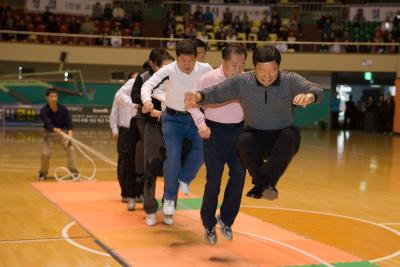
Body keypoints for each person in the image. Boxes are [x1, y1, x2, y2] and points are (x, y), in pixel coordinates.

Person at [185, 45, 323, 200]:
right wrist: (198, 96)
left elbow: (316, 89)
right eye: (262, 71)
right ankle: (266, 184)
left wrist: (310, 96)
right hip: (256, 136)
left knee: (290, 135)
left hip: (282, 137)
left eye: (272, 70)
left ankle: (259, 184)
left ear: (279, 67)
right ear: (254, 68)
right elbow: (216, 92)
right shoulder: (243, 82)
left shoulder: (290, 80)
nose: (267, 76)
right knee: (243, 139)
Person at [141, 40, 213, 225]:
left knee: (202, 152)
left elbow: (216, 87)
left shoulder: (205, 69)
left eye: (191, 61)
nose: (187, 65)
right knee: (172, 156)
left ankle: (184, 179)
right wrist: (147, 101)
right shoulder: (168, 70)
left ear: (197, 57)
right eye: (183, 61)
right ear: (177, 58)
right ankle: (170, 199)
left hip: (195, 118)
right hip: (172, 120)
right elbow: (147, 86)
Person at [189, 44, 247, 245]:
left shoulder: (246, 81)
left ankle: (227, 220)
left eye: (242, 65)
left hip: (238, 132)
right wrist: (201, 124)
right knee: (213, 181)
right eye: (234, 65)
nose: (238, 69)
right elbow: (191, 102)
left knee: (239, 175)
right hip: (214, 133)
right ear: (223, 62)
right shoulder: (208, 79)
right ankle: (208, 224)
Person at [130, 48, 174, 225]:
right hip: (151, 125)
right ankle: (150, 209)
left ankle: (169, 208)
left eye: (172, 65)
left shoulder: (176, 77)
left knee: (173, 167)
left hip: (173, 126)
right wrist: (148, 107)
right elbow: (135, 97)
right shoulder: (144, 78)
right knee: (151, 166)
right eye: (165, 65)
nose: (169, 69)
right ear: (153, 65)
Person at [110, 72, 140, 210]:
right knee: (124, 160)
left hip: (138, 129)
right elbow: (114, 112)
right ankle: (125, 192)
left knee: (136, 161)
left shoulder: (143, 89)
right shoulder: (127, 88)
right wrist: (114, 129)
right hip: (125, 129)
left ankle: (137, 192)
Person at [37, 88, 79, 181]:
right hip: (49, 134)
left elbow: (69, 124)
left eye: (55, 96)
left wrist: (70, 136)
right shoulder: (44, 111)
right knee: (45, 154)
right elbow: (47, 124)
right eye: (51, 96)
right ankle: (43, 173)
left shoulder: (63, 109)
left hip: (63, 134)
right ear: (47, 98)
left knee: (71, 149)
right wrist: (54, 129)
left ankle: (74, 173)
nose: (54, 98)